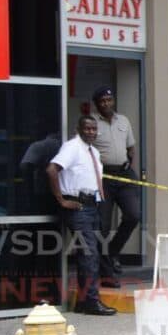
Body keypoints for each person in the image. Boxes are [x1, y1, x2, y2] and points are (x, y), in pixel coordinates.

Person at [46, 116, 117, 316]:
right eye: (87, 128)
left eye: (94, 129)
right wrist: (61, 200)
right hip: (77, 206)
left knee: (88, 254)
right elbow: (52, 170)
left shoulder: (93, 151)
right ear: (79, 129)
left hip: (92, 205)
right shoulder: (72, 147)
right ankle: (91, 301)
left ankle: (84, 301)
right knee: (89, 254)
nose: (91, 132)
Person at [91, 86, 140, 288]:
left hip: (123, 174)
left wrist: (132, 168)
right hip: (103, 176)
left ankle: (113, 252)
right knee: (102, 226)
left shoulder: (124, 121)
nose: (106, 104)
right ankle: (105, 271)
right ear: (97, 104)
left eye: (109, 100)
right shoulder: (91, 122)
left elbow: (131, 148)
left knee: (133, 215)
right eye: (102, 101)